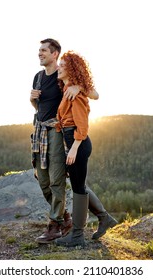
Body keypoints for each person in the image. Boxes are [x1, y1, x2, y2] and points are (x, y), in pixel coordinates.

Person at [30, 38, 98, 244]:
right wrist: (33, 99)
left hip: (57, 133)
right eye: (39, 50)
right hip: (39, 131)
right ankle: (66, 217)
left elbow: (95, 94)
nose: (39, 53)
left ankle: (55, 224)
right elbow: (41, 108)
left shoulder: (62, 79)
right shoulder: (38, 77)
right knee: (43, 180)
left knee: (57, 179)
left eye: (43, 50)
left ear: (54, 54)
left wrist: (79, 87)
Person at [55, 51, 118, 247]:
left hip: (78, 144)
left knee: (78, 189)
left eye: (62, 65)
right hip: (74, 143)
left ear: (71, 70)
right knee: (79, 185)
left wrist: (73, 148)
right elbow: (66, 120)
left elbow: (81, 126)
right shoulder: (67, 89)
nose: (58, 68)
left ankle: (77, 235)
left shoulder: (76, 94)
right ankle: (104, 218)